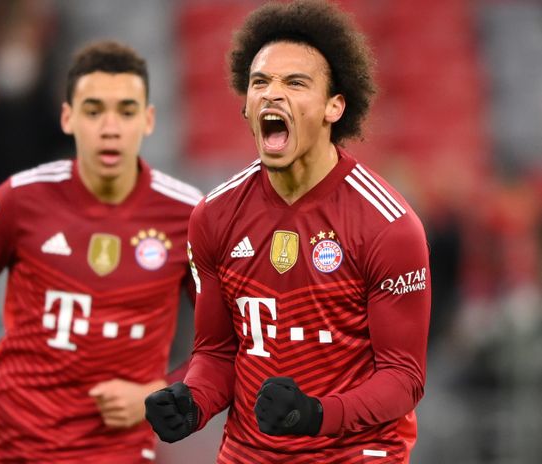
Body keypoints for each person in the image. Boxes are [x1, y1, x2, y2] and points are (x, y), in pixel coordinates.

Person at [144, 1, 431, 462]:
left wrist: (316, 414)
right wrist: (192, 403)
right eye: (260, 82)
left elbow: (403, 379)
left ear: (334, 106)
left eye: (295, 83)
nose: (271, 94)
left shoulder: (388, 225)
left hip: (353, 454)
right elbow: (217, 354)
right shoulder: (214, 216)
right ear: (246, 105)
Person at [0, 40, 201, 463]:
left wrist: (161, 392)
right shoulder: (19, 198)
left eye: (126, 111)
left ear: (148, 120)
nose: (110, 127)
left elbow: (228, 340)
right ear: (68, 118)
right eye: (94, 111)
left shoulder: (190, 216)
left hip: (115, 453)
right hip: (12, 447)